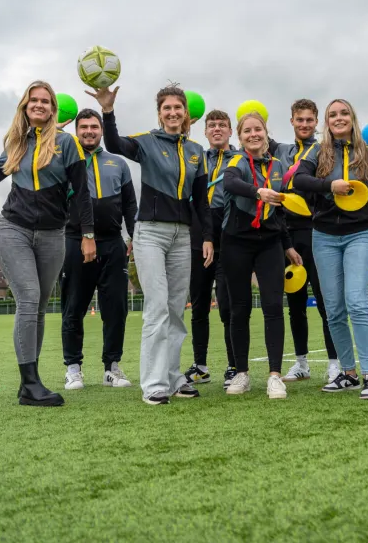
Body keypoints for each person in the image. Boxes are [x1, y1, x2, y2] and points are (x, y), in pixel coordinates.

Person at [0, 80, 96, 407]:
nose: (39, 105)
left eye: (45, 101)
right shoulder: (16, 143)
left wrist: (87, 234)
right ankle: (29, 383)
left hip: (53, 234)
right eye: (33, 100)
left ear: (53, 109)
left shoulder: (67, 144)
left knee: (39, 308)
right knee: (29, 298)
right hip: (14, 229)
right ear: (25, 107)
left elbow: (81, 192)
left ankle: (31, 381)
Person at [90, 82, 213, 405]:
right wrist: (108, 110)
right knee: (157, 308)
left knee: (175, 310)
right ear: (160, 114)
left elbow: (201, 203)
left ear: (186, 113)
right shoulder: (146, 142)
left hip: (183, 235)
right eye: (166, 109)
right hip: (150, 234)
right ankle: (154, 384)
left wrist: (209, 238)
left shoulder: (196, 152)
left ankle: (174, 378)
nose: (172, 113)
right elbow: (114, 143)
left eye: (177, 108)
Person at [292, 98, 368, 400]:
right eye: (332, 115)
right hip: (324, 236)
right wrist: (330, 186)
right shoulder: (318, 151)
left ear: (352, 118)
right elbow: (299, 180)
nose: (338, 118)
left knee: (356, 303)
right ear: (327, 122)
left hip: (359, 235)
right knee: (335, 310)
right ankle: (348, 374)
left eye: (343, 113)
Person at [220, 112, 301, 399]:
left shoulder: (279, 165)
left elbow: (281, 211)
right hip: (236, 244)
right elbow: (230, 184)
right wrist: (258, 192)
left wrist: (288, 245)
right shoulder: (235, 161)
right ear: (239, 138)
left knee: (272, 307)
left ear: (266, 133)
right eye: (247, 131)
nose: (253, 135)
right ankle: (241, 373)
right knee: (239, 309)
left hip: (269, 244)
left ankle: (275, 376)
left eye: (258, 130)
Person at [57, 108, 138, 391]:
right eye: (84, 127)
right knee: (73, 306)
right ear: (76, 131)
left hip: (113, 242)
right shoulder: (65, 161)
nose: (89, 131)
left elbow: (129, 205)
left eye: (94, 127)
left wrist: (134, 238)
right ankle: (73, 368)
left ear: (101, 130)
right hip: (73, 241)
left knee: (116, 308)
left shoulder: (118, 163)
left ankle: (111, 367)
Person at [268, 99, 340, 383]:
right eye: (300, 120)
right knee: (295, 302)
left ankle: (335, 362)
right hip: (286, 234)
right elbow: (255, 135)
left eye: (310, 120)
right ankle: (301, 363)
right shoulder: (281, 150)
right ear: (292, 121)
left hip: (317, 230)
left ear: (317, 122)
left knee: (326, 301)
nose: (305, 125)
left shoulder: (326, 150)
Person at [184, 110, 236, 388]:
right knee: (199, 303)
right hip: (198, 231)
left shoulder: (240, 159)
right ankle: (200, 365)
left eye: (222, 125)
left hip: (228, 231)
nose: (217, 129)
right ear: (204, 131)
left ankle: (233, 365)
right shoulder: (196, 158)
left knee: (228, 305)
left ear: (231, 131)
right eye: (212, 125)